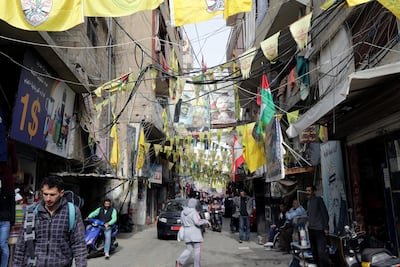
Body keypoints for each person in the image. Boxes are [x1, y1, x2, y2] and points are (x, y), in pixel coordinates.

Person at [13, 176, 87, 267]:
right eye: (45, 194)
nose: (48, 199)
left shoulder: (72, 212)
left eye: (52, 195)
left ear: (61, 193)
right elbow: (21, 245)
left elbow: (79, 244)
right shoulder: (31, 212)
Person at [176, 198, 210, 267]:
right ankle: (197, 265)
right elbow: (197, 222)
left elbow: (182, 222)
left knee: (189, 249)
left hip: (187, 232)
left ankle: (180, 261)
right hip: (195, 233)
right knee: (197, 251)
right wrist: (205, 221)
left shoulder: (183, 212)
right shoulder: (194, 212)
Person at [306, 185, 330, 267]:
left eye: (309, 191)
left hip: (319, 230)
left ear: (313, 192)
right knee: (314, 251)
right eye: (307, 191)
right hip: (311, 229)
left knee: (321, 252)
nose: (307, 192)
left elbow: (325, 214)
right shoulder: (308, 202)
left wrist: (326, 228)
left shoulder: (319, 200)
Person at [0, 178, 15, 267]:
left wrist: (12, 221)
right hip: (5, 221)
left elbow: (12, 207)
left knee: (3, 244)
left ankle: (4, 265)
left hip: (5, 221)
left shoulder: (8, 192)